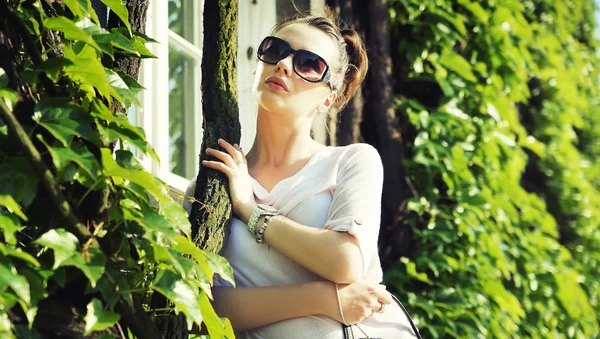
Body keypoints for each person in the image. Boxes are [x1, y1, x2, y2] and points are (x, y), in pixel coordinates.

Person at [184, 8, 419, 339]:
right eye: (275, 50)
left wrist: (249, 210)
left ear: (329, 98)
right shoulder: (212, 183)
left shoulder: (351, 162)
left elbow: (344, 261)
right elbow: (206, 307)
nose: (284, 65)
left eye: (308, 64)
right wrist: (324, 298)